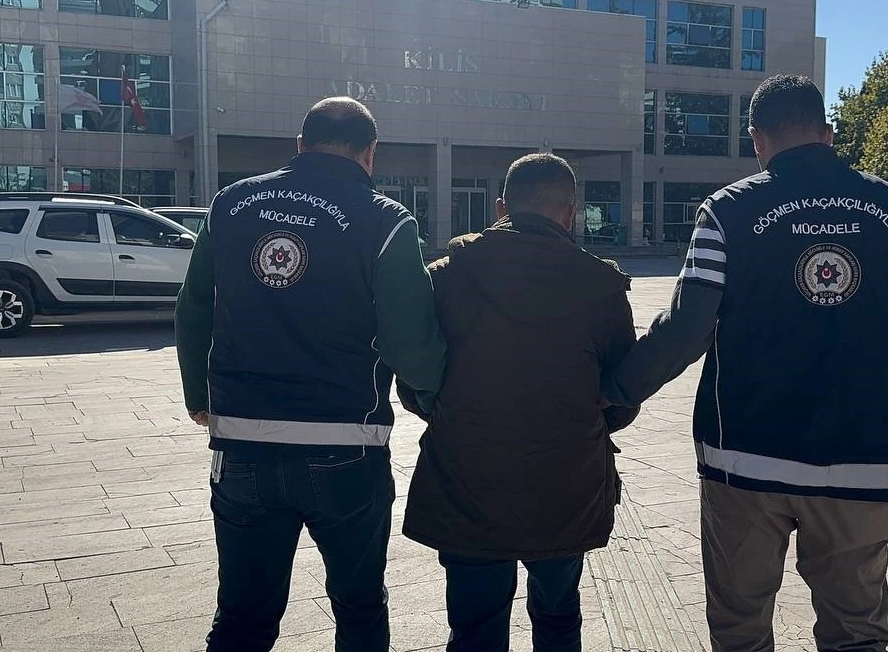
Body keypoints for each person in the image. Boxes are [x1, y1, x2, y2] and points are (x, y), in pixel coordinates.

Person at [603, 75, 888, 652]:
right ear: (828, 133)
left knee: (740, 627)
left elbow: (684, 330)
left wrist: (613, 393)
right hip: (862, 463)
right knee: (856, 632)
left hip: (743, 461)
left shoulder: (727, 213)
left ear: (756, 139)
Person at [175, 97, 447, 652]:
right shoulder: (386, 220)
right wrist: (435, 394)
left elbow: (194, 304)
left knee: (242, 618)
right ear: (370, 153)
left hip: (243, 441)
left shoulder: (230, 204)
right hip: (345, 444)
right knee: (359, 607)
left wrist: (198, 394)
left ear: (299, 145)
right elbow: (409, 341)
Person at [396, 153, 639, 652]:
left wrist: (447, 411)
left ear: (501, 207)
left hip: (467, 479)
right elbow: (622, 397)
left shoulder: (445, 277)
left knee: (475, 626)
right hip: (566, 483)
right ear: (570, 213)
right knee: (558, 616)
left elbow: (414, 381)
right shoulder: (601, 285)